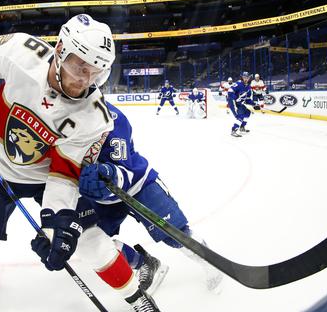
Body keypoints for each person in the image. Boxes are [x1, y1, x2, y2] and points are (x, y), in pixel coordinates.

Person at [0, 14, 160, 312]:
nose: (84, 80)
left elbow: (64, 174)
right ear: (60, 48)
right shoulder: (21, 52)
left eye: (96, 72)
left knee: (90, 240)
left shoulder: (95, 118)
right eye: (79, 66)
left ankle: (135, 296)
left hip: (45, 180)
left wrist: (57, 220)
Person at [78, 101, 224, 294]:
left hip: (137, 185)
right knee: (89, 239)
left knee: (174, 234)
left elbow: (124, 170)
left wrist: (108, 174)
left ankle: (209, 262)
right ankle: (145, 264)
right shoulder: (58, 114)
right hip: (99, 196)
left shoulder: (111, 117)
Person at [226, 72, 260, 137]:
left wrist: (254, 104)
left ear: (249, 78)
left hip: (240, 103)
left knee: (248, 113)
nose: (246, 79)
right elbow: (230, 91)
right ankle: (233, 130)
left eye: (247, 78)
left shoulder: (248, 87)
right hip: (233, 102)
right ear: (242, 77)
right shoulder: (238, 84)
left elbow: (247, 99)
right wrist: (235, 98)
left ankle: (242, 127)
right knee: (240, 116)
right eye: (244, 77)